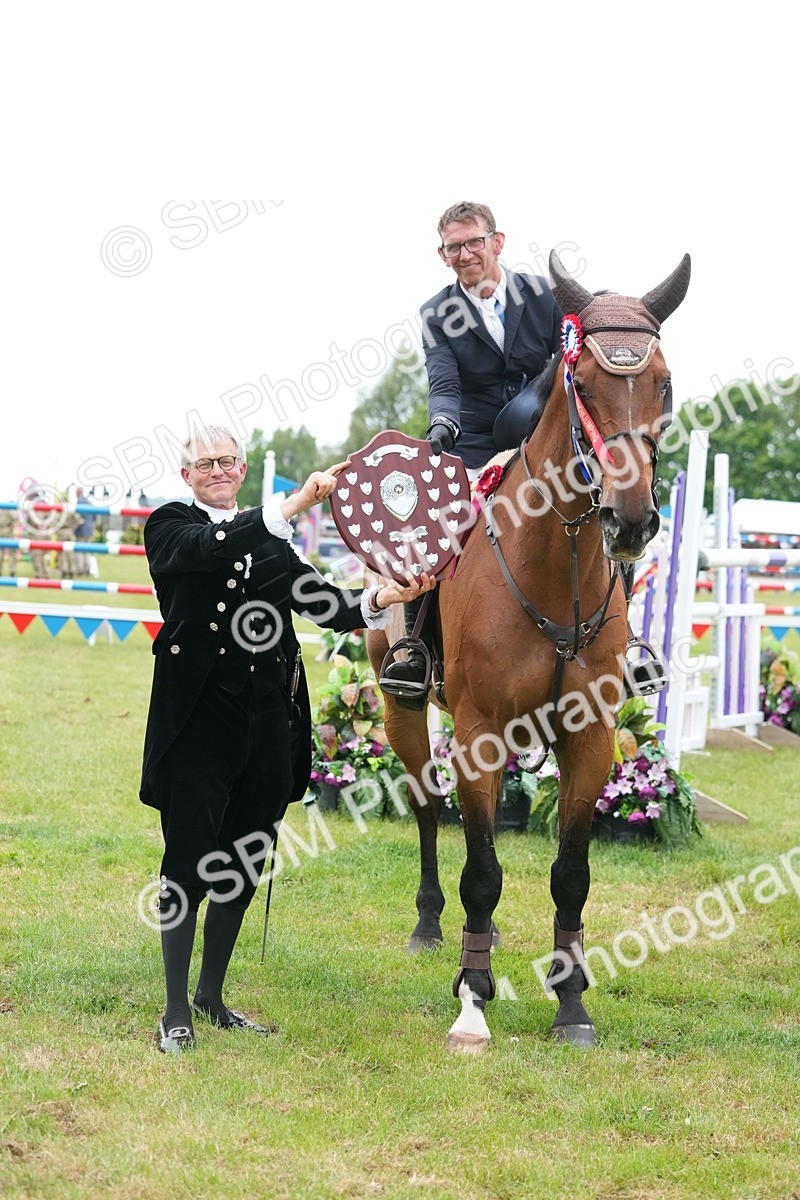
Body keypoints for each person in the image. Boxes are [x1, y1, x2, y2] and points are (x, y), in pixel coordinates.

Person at [139, 424, 434, 1054]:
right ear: (187, 475)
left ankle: (210, 997)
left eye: (227, 461)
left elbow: (324, 603)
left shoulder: (270, 541)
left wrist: (382, 596)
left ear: (242, 468)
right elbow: (212, 545)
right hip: (198, 723)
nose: (217, 471)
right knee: (188, 860)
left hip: (268, 720)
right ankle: (174, 1011)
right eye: (204, 464)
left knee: (244, 862)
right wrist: (295, 504)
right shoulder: (168, 526)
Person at [381, 201, 562, 704]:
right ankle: (417, 646)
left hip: (543, 430)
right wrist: (443, 426)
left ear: (497, 242)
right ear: (442, 255)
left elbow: (566, 362)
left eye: (473, 243)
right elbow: (443, 382)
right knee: (434, 519)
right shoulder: (436, 313)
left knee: (606, 497)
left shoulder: (543, 295)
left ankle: (625, 639)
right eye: (453, 247)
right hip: (476, 438)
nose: (464, 255)